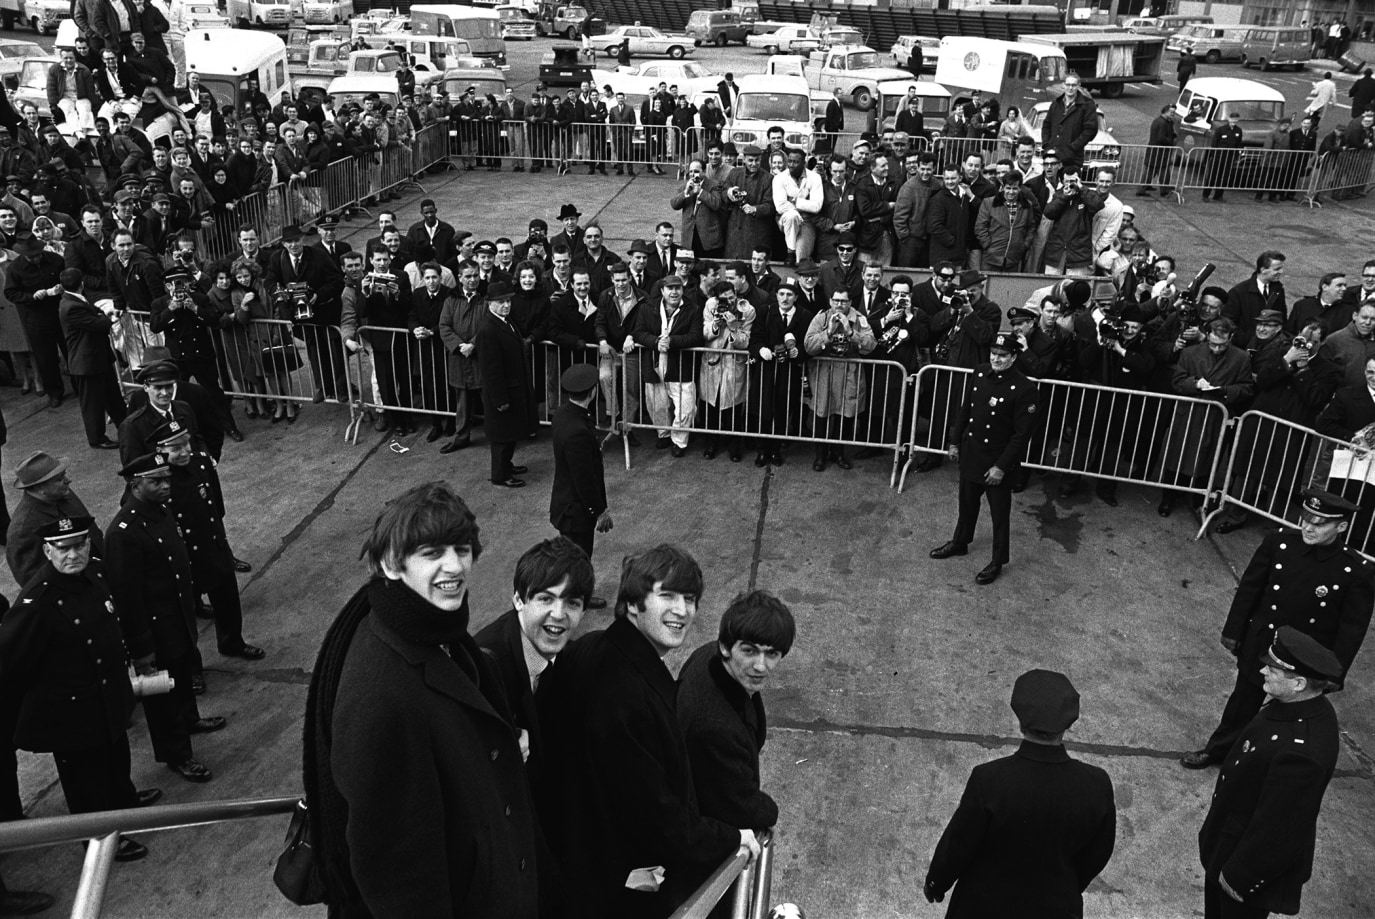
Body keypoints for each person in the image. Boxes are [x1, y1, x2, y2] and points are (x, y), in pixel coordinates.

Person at [303, 482, 541, 918]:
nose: (455, 567)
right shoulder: (382, 693)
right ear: (390, 565)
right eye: (432, 553)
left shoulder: (429, 629)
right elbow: (398, 877)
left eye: (462, 548)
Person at [538, 544, 758, 919]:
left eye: (690, 598)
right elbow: (660, 820)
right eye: (667, 595)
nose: (683, 610)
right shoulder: (630, 694)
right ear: (633, 605)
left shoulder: (589, 649)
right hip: (612, 892)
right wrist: (733, 837)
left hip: (567, 869)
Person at [0, 515, 161, 864]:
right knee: (85, 783)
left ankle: (124, 807)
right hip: (71, 713)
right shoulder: (37, 603)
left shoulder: (97, 573)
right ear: (47, 550)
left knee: (116, 761)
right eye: (63, 548)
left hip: (107, 696)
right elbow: (11, 666)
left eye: (80, 545)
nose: (73, 554)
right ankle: (100, 841)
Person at [1181, 488, 1373, 770]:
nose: (1308, 527)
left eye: (1319, 524)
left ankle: (1264, 763)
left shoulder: (1355, 571)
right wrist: (1233, 630)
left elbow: (1351, 628)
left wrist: (1336, 670)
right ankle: (1218, 751)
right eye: (1306, 519)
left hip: (1307, 659)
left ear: (1341, 526)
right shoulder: (1280, 544)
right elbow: (1250, 589)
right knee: (1241, 705)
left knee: (1291, 716)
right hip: (1264, 644)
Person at [924, 669, 1115, 915]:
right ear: (1068, 723)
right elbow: (1097, 854)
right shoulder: (1096, 785)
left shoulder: (990, 779)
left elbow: (958, 844)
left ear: (1020, 721)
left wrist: (937, 883)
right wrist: (1065, 887)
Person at [1197, 628, 1343, 919]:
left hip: (1244, 872)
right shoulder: (1296, 705)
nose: (1263, 669)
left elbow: (1282, 830)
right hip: (1228, 845)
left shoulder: (1302, 754)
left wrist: (1239, 877)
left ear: (1300, 683)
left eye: (1274, 669)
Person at [104, 453, 223, 783]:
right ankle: (177, 754)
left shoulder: (162, 511)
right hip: (154, 630)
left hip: (177, 619)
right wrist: (142, 650)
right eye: (156, 482)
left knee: (183, 677)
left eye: (166, 479)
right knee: (161, 698)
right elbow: (127, 598)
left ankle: (190, 719)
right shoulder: (124, 532)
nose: (165, 486)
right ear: (135, 485)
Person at [473, 535, 596, 830]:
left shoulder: (564, 657)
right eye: (545, 598)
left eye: (572, 602)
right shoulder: (486, 669)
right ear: (518, 599)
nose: (559, 614)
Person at [677, 589, 796, 835]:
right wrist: (770, 812)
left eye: (771, 653)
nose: (761, 666)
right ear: (726, 647)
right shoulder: (717, 728)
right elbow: (737, 805)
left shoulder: (709, 655)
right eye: (750, 651)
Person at [929, 332, 1038, 586]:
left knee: (999, 515)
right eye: (993, 354)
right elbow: (966, 409)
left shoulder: (1025, 389)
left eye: (1002, 355)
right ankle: (960, 542)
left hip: (998, 462)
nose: (996, 359)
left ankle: (998, 560)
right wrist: (955, 442)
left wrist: (1001, 467)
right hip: (973, 453)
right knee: (966, 503)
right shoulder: (979, 372)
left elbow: (1022, 436)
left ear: (1013, 357)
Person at [151, 420, 264, 663]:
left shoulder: (200, 461)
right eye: (175, 449)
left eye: (186, 444)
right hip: (182, 556)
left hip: (212, 545)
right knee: (182, 617)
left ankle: (232, 642)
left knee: (227, 601)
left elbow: (215, 501)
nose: (183, 452)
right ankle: (191, 667)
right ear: (160, 450)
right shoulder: (155, 478)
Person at [6, 452, 105, 588]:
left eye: (64, 474)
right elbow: (33, 581)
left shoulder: (63, 494)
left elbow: (92, 533)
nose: (67, 480)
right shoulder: (23, 529)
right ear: (40, 488)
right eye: (59, 478)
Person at [550, 364, 613, 576]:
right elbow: (584, 479)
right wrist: (600, 512)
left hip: (566, 505)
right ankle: (577, 595)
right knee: (578, 559)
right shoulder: (578, 431)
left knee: (572, 558)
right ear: (593, 391)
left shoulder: (562, 414)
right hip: (575, 512)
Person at [476, 281, 536, 488]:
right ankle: (500, 475)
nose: (506, 305)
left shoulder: (505, 321)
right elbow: (491, 370)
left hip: (514, 388)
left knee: (510, 433)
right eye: (500, 302)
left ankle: (507, 465)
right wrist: (500, 399)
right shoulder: (488, 330)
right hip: (502, 393)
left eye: (508, 300)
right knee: (501, 437)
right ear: (490, 304)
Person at [57, 268, 126, 449]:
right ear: (82, 283)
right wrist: (108, 318)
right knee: (93, 403)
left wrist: (102, 317)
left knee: (112, 397)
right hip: (86, 362)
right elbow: (98, 325)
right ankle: (97, 438)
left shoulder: (73, 300)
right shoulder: (72, 306)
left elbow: (96, 317)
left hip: (97, 358)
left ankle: (125, 426)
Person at [1040, 72, 1098, 173]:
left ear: (1079, 85)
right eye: (1068, 85)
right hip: (1052, 156)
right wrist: (1046, 145)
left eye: (1073, 85)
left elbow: (1090, 130)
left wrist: (1073, 147)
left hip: (1072, 159)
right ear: (1063, 85)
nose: (1070, 88)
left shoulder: (1087, 105)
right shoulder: (1056, 103)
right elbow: (1046, 125)